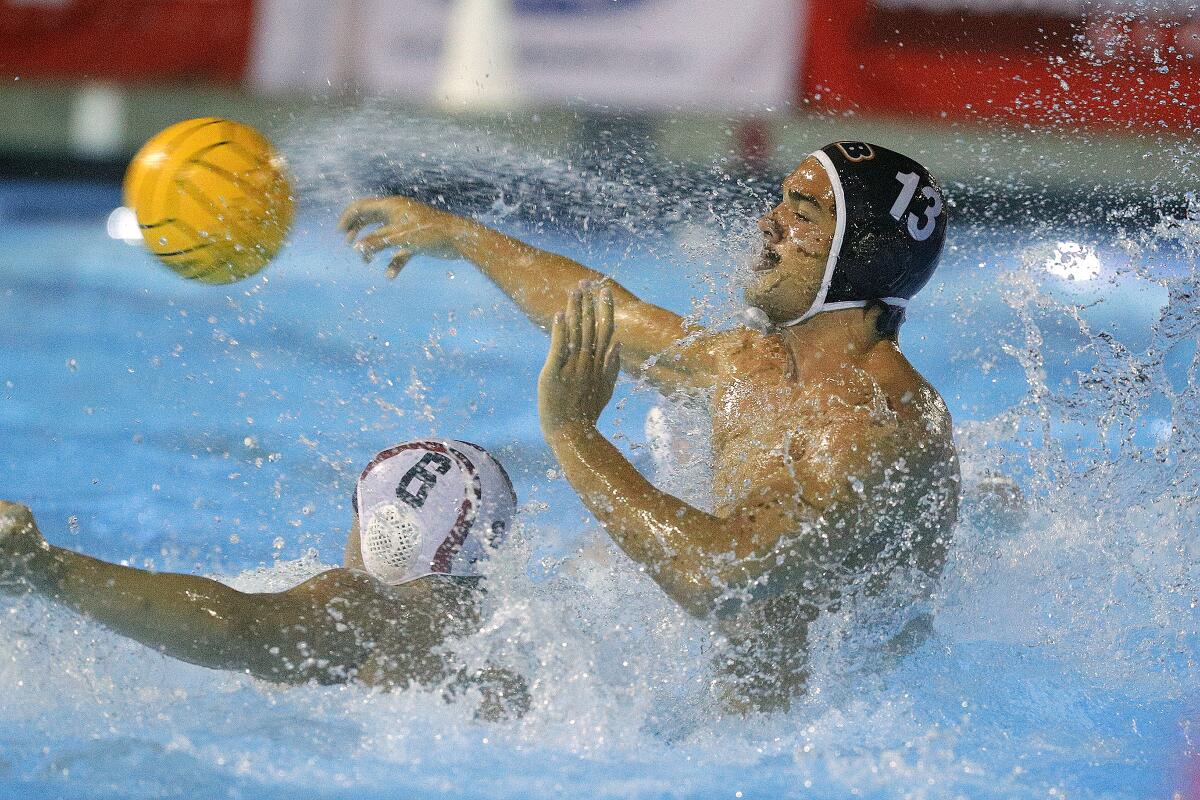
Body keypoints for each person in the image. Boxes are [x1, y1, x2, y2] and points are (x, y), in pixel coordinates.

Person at [340, 141, 961, 710]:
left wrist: (574, 434)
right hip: (742, 735)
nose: (768, 222)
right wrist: (463, 236)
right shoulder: (755, 365)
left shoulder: (874, 428)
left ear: (858, 251)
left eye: (802, 211)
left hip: (832, 750)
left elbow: (718, 580)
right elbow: (603, 316)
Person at [0, 442, 528, 720]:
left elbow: (234, 629)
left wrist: (45, 566)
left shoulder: (367, 607)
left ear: (384, 534)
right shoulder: (520, 648)